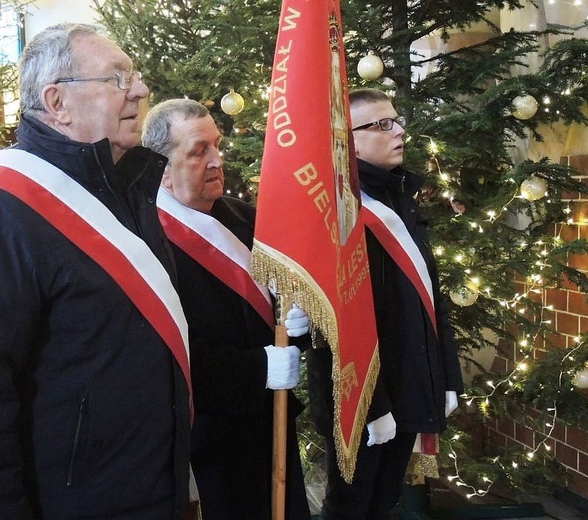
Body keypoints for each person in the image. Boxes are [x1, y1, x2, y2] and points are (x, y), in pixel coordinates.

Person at [0, 23, 193, 519]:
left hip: (150, 491)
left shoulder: (126, 192)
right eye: (116, 78)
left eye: (133, 75)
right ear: (57, 102)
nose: (140, 90)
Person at [142, 98, 312, 520]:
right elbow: (161, 353)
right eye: (199, 151)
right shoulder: (144, 242)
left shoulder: (248, 217)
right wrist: (257, 369)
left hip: (272, 417)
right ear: (162, 168)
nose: (217, 160)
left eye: (217, 146)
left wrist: (302, 319)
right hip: (207, 437)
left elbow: (284, 299)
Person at [307, 88, 465, 519]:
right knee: (350, 508)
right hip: (362, 398)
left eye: (397, 122)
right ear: (349, 141)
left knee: (383, 503)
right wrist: (372, 406)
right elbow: (332, 327)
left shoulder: (401, 200)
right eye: (381, 125)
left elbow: (433, 300)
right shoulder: (337, 211)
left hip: (409, 383)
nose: (397, 133)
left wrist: (446, 376)